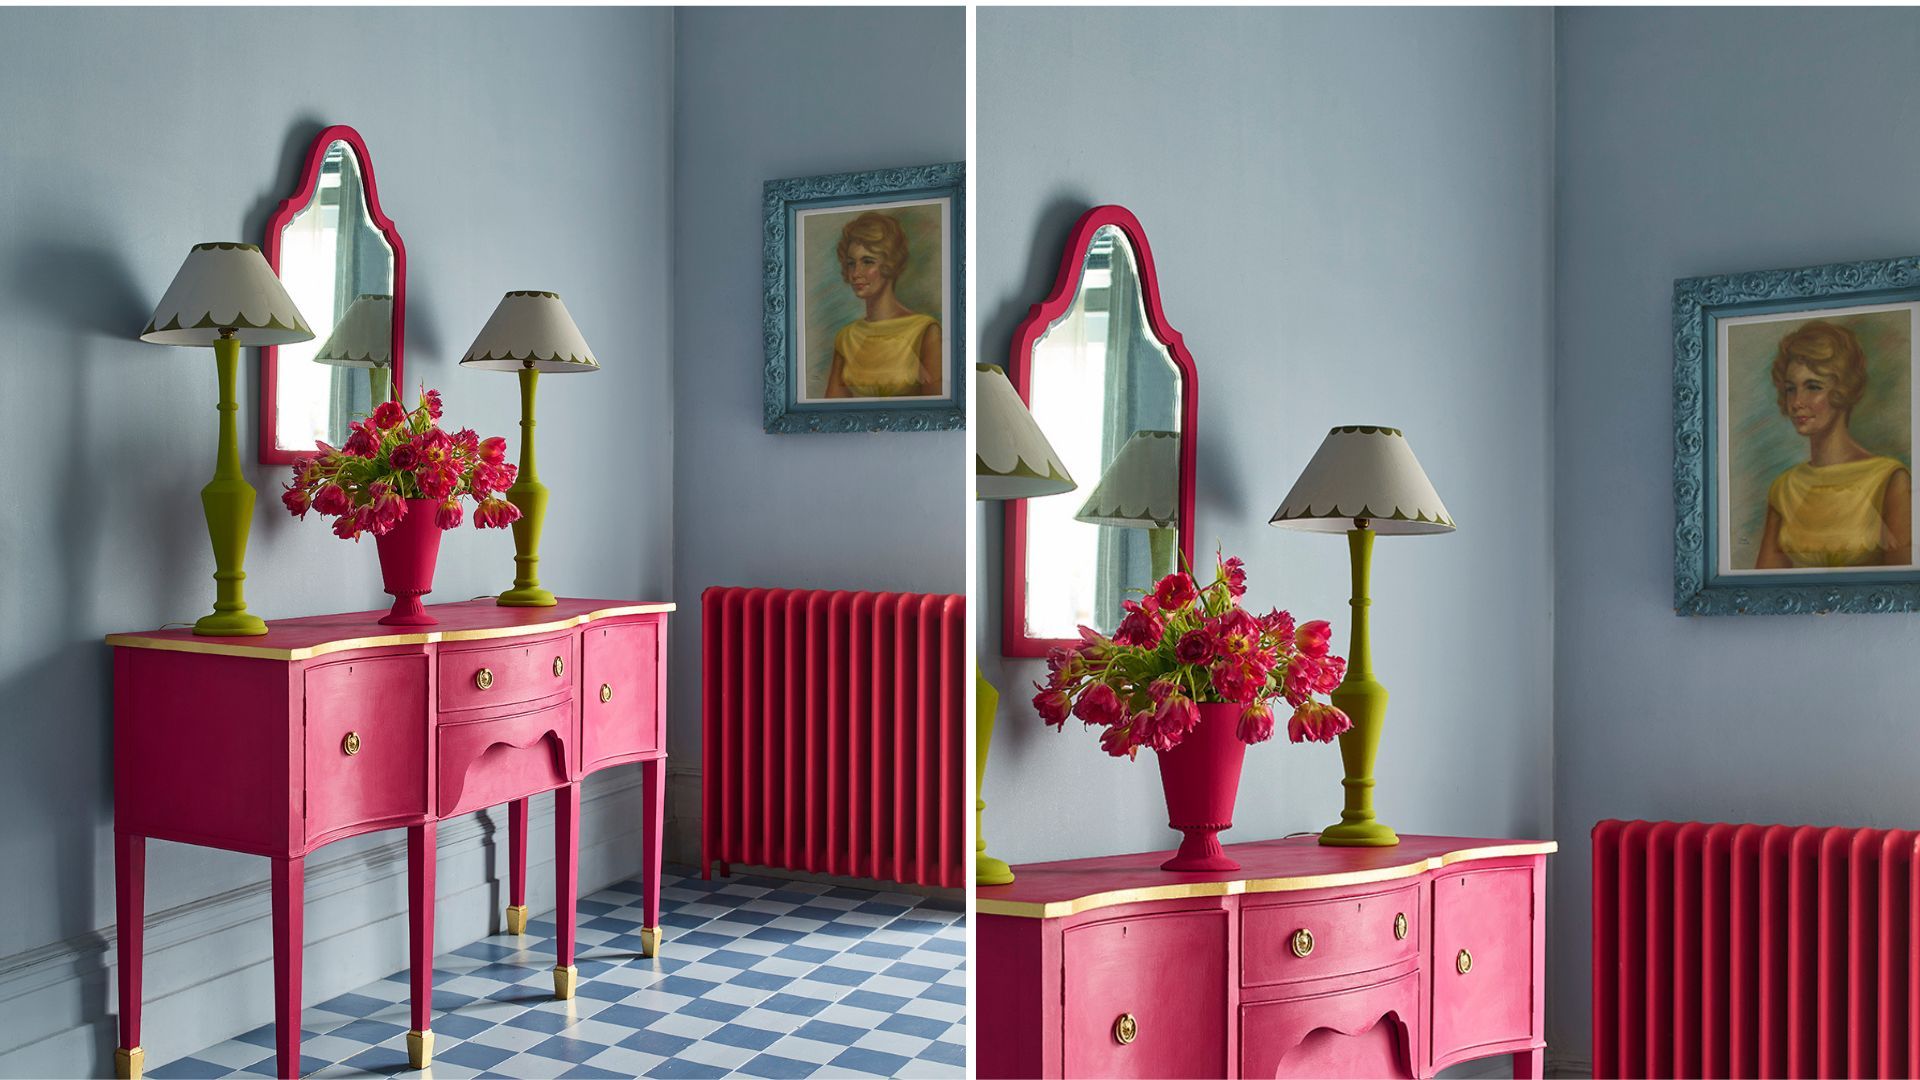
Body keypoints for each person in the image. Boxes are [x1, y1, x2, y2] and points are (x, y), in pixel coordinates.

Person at [1755, 320, 1913, 568]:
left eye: (1813, 387)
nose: (1796, 402)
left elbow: (1905, 582)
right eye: (1790, 389)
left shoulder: (1888, 478)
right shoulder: (1784, 488)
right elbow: (1765, 583)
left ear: (1842, 390)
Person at [822, 211, 941, 398]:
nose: (855, 273)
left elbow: (938, 406)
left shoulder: (924, 330)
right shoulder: (846, 338)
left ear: (890, 263)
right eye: (851, 263)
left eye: (867, 262)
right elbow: (831, 408)